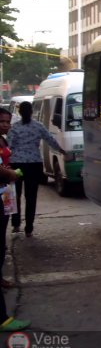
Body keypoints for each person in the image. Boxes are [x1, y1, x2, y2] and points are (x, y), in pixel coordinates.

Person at [7, 101, 66, 236]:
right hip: (34, 165)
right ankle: (29, 228)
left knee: (16, 195)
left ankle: (16, 224)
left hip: (16, 165)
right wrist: (61, 150)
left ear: (20, 113)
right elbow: (50, 139)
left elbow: (8, 146)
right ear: (31, 112)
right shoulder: (38, 126)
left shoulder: (14, 128)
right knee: (31, 196)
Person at [0, 108, 30, 331]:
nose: (5, 125)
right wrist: (8, 173)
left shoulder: (3, 139)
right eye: (1, 121)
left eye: (7, 121)